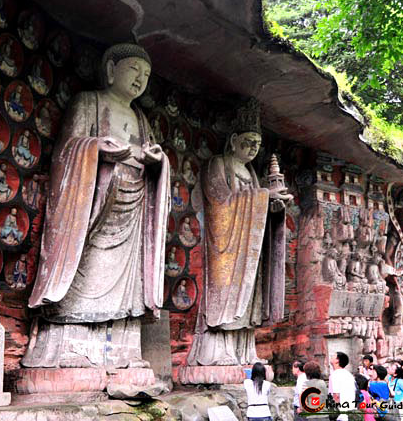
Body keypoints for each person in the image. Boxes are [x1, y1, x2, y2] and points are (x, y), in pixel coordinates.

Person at [22, 44, 170, 379]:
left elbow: (151, 154)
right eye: (133, 70)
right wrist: (96, 148)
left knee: (128, 284)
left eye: (146, 75)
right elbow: (67, 151)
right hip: (92, 207)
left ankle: (124, 354)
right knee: (85, 272)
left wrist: (158, 161)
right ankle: (72, 351)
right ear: (110, 69)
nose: (140, 79)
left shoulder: (141, 118)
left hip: (131, 211)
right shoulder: (89, 102)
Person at [186, 99, 292, 367]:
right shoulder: (217, 164)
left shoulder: (251, 173)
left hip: (249, 247)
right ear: (233, 140)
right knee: (226, 295)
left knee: (250, 296)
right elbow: (220, 202)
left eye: (257, 144)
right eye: (247, 142)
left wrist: (274, 206)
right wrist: (264, 197)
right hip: (226, 244)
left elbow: (258, 205)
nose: (253, 149)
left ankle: (245, 352)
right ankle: (216, 352)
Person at [329, 352, 356, 421]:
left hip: (340, 413)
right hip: (350, 410)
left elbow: (336, 395)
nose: (331, 357)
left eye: (333, 356)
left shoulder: (336, 374)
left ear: (337, 360)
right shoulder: (348, 374)